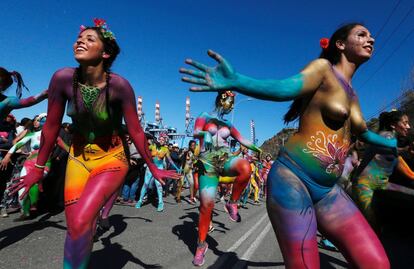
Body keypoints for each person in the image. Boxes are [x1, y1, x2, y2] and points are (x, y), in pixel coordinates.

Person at [181, 23, 395, 268]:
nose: (371, 39)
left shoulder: (353, 95)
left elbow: (365, 134)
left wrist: (393, 142)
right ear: (340, 44)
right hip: (293, 180)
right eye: (362, 34)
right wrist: (237, 81)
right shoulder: (323, 69)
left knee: (377, 263)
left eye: (370, 35)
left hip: (328, 191)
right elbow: (286, 88)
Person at [9, 18, 178, 269]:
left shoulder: (119, 86)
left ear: (105, 52)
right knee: (76, 227)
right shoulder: (62, 79)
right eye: (80, 37)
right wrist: (38, 166)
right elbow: (52, 126)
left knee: (81, 222)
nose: (80, 41)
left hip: (111, 158)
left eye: (90, 39)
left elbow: (137, 131)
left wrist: (153, 166)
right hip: (78, 157)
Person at [189, 90, 260, 266]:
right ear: (222, 99)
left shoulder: (228, 123)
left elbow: (242, 139)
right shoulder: (204, 116)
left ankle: (232, 202)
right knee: (206, 206)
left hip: (225, 159)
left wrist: (258, 149)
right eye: (231, 101)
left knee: (245, 167)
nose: (232, 106)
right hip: (207, 163)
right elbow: (196, 131)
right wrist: (204, 134)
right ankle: (201, 245)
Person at [352, 110, 414, 232]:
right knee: (373, 228)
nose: (408, 126)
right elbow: (388, 147)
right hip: (364, 186)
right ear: (393, 125)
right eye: (405, 123)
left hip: (382, 184)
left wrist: (407, 152)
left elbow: (402, 166)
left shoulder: (393, 144)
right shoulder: (386, 136)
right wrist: (405, 149)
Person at [0, 114, 50, 220]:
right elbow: (17, 144)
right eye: (36, 120)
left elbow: (65, 147)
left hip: (43, 165)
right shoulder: (31, 134)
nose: (37, 122)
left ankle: (33, 205)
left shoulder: (52, 134)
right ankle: (25, 211)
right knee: (21, 188)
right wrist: (8, 155)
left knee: (34, 182)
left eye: (40, 120)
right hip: (28, 164)